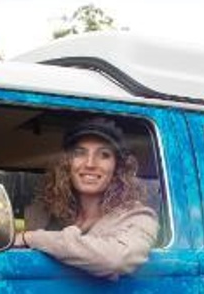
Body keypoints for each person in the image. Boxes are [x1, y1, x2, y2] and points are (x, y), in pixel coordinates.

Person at [15, 116, 159, 279]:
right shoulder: (44, 212)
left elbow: (115, 259)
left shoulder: (138, 217)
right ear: (67, 163)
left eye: (104, 155)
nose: (90, 164)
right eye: (80, 153)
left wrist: (31, 238)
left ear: (117, 167)